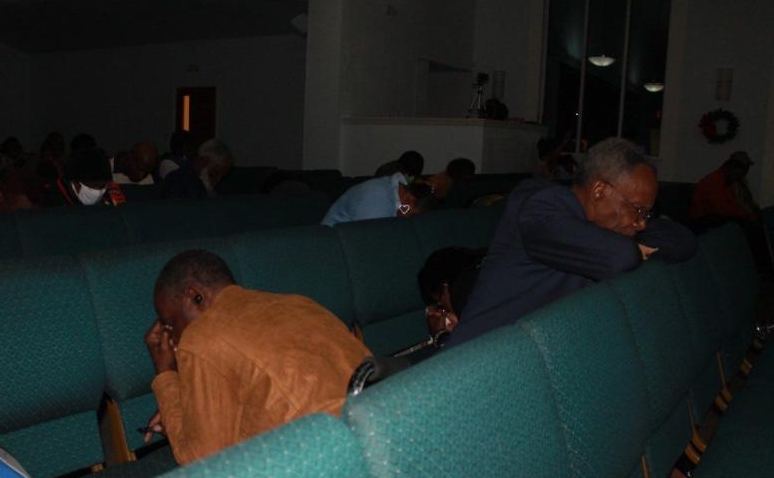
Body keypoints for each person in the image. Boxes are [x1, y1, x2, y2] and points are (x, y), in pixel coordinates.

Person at [441, 137, 697, 349]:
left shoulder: (608, 225)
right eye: (638, 210)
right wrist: (635, 248)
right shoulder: (539, 206)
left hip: (532, 355)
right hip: (478, 361)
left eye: (646, 214)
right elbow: (620, 258)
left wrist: (636, 235)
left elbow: (683, 242)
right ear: (599, 191)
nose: (641, 223)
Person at [142, 250, 371, 465]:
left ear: (196, 297)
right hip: (379, 435)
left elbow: (205, 463)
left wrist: (165, 372)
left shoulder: (201, 335)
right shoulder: (300, 303)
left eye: (170, 325)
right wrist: (185, 412)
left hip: (327, 465)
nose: (173, 339)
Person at [321, 173, 435, 226]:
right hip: (332, 247)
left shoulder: (392, 190)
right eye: (412, 215)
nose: (409, 219)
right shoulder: (378, 198)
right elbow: (374, 241)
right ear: (409, 199)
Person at [690, 151, 759, 224]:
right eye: (743, 168)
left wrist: (750, 214)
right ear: (732, 166)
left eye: (746, 169)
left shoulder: (733, 183)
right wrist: (747, 215)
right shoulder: (714, 180)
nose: (744, 173)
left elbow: (737, 204)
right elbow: (721, 208)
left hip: (718, 218)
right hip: (703, 219)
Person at [159, 139, 233, 200]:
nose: (217, 180)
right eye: (215, 173)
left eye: (222, 177)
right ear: (202, 162)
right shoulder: (175, 181)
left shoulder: (222, 186)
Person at [55, 147, 126, 207]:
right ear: (75, 183)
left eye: (103, 186)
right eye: (94, 186)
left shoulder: (111, 193)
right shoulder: (54, 201)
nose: (99, 192)